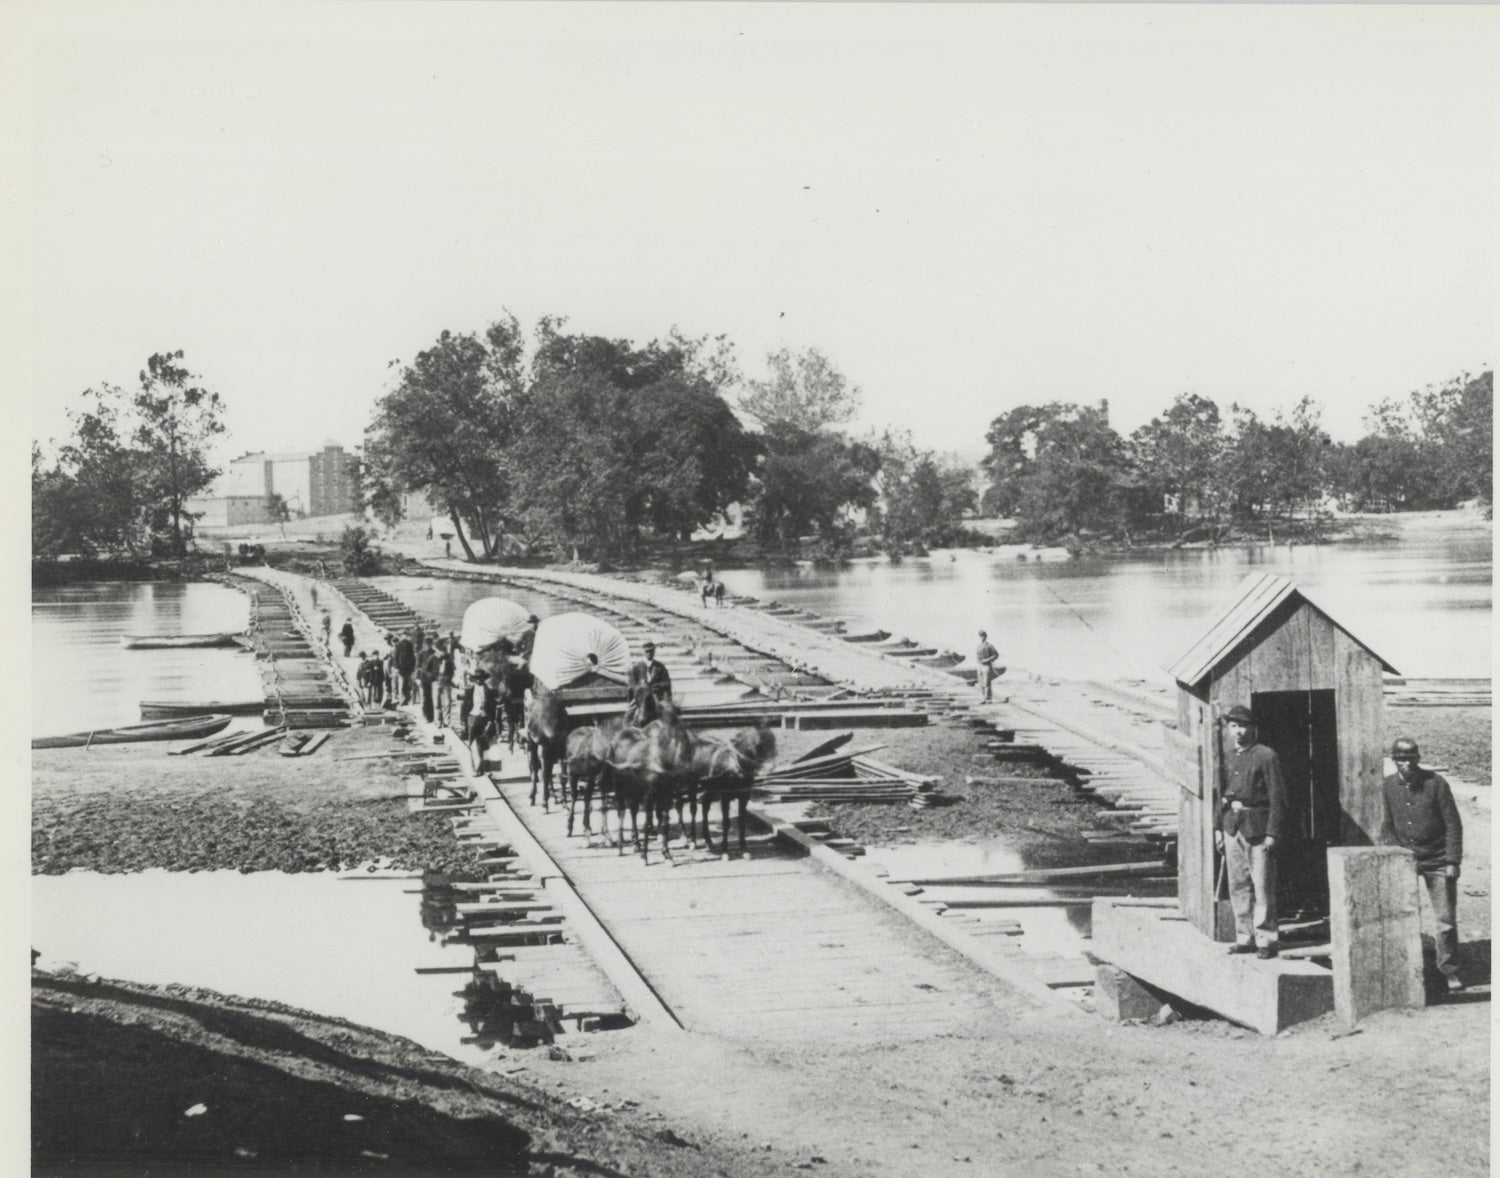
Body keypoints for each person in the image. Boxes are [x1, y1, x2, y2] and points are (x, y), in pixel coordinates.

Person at [1380, 737, 1465, 991]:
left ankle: (1449, 970)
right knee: (1403, 915)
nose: (1406, 764)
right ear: (1394, 761)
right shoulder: (1388, 786)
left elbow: (1453, 824)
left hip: (1438, 859)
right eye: (1400, 759)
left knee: (1445, 920)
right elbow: (1387, 825)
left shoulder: (1436, 783)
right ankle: (1408, 971)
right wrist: (1397, 853)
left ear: (1417, 759)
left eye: (1410, 758)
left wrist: (1452, 860)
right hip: (1407, 860)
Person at [1215, 704, 1287, 959]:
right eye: (1234, 726)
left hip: (1258, 830)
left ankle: (1266, 940)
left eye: (1243, 726)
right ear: (1228, 729)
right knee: (1238, 885)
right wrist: (1218, 828)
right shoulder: (1227, 756)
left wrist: (1272, 833)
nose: (1239, 731)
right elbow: (1221, 794)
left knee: (1263, 885)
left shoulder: (1266, 756)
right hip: (1232, 828)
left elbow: (1278, 797)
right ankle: (1244, 937)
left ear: (1253, 728)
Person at [627, 640, 673, 724]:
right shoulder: (636, 667)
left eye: (651, 651)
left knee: (669, 714)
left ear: (654, 651)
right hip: (641, 698)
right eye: (647, 651)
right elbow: (631, 685)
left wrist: (657, 686)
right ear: (643, 652)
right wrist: (638, 692)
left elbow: (667, 684)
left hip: (657, 697)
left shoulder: (660, 667)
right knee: (629, 715)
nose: (649, 653)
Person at [460, 670, 497, 767]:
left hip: (485, 718)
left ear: (484, 679)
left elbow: (493, 707)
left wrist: (491, 720)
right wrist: (463, 721)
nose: (479, 681)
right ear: (475, 680)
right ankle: (475, 768)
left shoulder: (489, 691)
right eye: (477, 679)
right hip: (473, 717)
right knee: (473, 744)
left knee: (486, 743)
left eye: (481, 679)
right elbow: (464, 706)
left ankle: (484, 766)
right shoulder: (470, 690)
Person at [975, 631, 1004, 702]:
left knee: (987, 682)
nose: (981, 638)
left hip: (986, 666)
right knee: (981, 682)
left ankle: (987, 698)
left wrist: (987, 660)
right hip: (980, 666)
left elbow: (996, 655)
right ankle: (984, 697)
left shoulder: (989, 646)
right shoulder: (979, 646)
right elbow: (977, 656)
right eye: (980, 636)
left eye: (983, 636)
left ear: (985, 637)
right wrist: (977, 660)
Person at [417, 639, 440, 723]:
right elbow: (418, 668)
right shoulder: (420, 654)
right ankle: (427, 717)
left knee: (433, 699)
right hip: (424, 679)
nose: (428, 646)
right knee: (426, 698)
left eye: (429, 644)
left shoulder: (435, 653)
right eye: (427, 644)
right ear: (424, 644)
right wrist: (418, 678)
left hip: (432, 679)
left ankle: (432, 717)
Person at [436, 638, 457, 728]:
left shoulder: (448, 661)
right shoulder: (435, 659)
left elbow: (452, 671)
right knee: (437, 703)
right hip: (437, 681)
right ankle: (439, 721)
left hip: (446, 682)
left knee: (447, 702)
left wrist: (449, 678)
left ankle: (446, 721)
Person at [393, 630, 417, 705]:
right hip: (401, 668)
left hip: (408, 668)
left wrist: (413, 667)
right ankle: (403, 699)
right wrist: (396, 667)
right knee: (402, 684)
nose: (405, 636)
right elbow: (396, 657)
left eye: (406, 635)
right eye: (403, 635)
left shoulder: (410, 644)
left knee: (408, 684)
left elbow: (412, 657)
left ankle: (407, 699)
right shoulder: (398, 645)